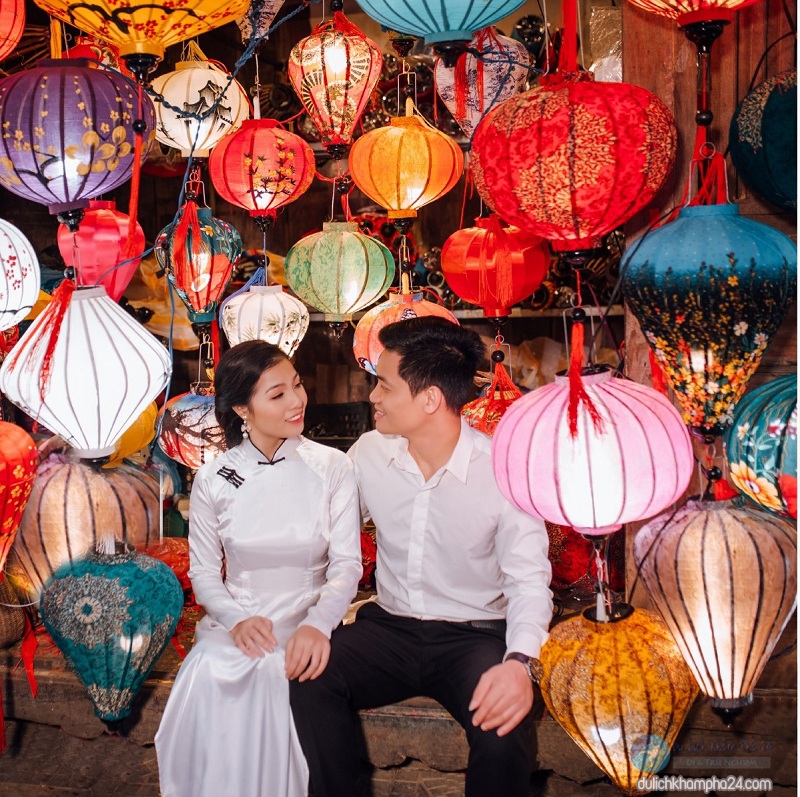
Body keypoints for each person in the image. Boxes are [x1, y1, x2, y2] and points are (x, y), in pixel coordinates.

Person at [290, 316, 553, 797]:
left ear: (429, 399)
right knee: (310, 675)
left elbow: (528, 582)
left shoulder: (502, 471)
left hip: (473, 637)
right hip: (389, 627)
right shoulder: (369, 453)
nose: (373, 396)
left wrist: (519, 664)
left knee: (504, 725)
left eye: (384, 386)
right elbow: (324, 537)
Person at [155, 340, 362, 797]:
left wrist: (319, 623)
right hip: (239, 621)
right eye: (277, 394)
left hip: (307, 619)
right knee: (212, 666)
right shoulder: (215, 477)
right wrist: (236, 620)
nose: (297, 401)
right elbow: (206, 574)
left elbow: (348, 566)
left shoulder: (333, 467)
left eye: (297, 385)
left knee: (280, 670)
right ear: (241, 409)